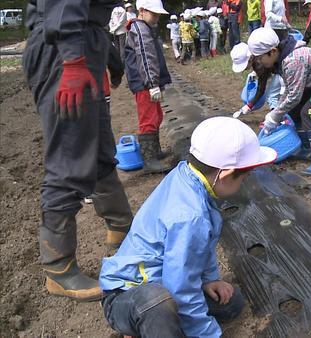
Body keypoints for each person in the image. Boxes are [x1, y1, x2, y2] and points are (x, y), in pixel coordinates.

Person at [100, 117, 277, 338]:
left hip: (163, 278)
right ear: (225, 175)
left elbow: (201, 247)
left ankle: (153, 325)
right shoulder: (190, 216)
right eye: (244, 177)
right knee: (157, 303)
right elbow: (181, 289)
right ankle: (141, 326)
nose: (245, 182)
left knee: (231, 303)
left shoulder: (189, 175)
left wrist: (210, 279)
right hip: (128, 295)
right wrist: (209, 334)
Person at [22, 0, 133, 301]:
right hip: (64, 51)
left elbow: (92, 13)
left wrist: (110, 57)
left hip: (84, 44)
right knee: (68, 159)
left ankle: (121, 226)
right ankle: (58, 268)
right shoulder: (68, 43)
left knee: (99, 151)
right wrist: (72, 59)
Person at [248, 27, 311, 176]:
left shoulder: (293, 60)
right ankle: (307, 146)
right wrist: (278, 112)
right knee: (294, 111)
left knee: (310, 112)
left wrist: (275, 116)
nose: (260, 62)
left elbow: (294, 95)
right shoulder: (283, 60)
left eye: (261, 58)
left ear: (273, 51)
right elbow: (289, 88)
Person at [124, 0, 172, 174]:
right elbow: (145, 56)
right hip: (144, 82)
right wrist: (152, 83)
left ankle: (155, 151)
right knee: (148, 119)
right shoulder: (140, 29)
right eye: (154, 13)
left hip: (148, 81)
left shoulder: (145, 28)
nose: (157, 16)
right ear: (142, 11)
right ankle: (149, 159)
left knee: (157, 115)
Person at [230, 42, 284, 117]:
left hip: (283, 69)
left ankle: (276, 117)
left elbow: (261, 89)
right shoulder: (257, 56)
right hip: (280, 68)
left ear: (249, 59)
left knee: (272, 95)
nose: (244, 69)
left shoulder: (260, 64)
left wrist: (249, 106)